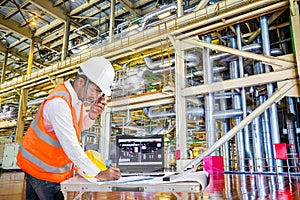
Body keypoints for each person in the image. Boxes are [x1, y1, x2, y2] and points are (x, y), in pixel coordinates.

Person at [17, 56, 121, 200]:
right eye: (95, 90)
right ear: (80, 81)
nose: (95, 96)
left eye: (99, 93)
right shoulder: (59, 103)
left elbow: (78, 127)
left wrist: (91, 115)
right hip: (43, 170)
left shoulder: (76, 100)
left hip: (42, 167)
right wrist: (98, 173)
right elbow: (70, 144)